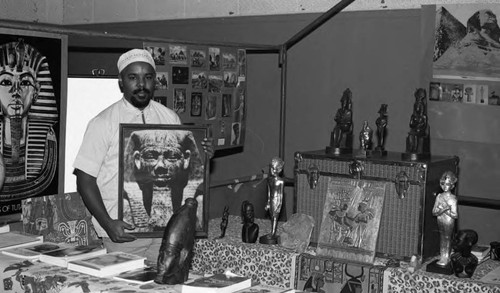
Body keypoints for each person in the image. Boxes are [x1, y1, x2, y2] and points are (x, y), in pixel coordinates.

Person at [73, 48, 213, 262]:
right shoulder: (103, 122)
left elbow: (186, 170)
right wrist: (108, 222)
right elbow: (85, 179)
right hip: (124, 233)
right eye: (133, 77)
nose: (141, 84)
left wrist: (204, 154)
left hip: (167, 231)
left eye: (147, 77)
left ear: (155, 81)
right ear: (121, 81)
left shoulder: (169, 118)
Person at [0, 39, 59, 200]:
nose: (16, 91)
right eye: (6, 82)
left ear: (36, 93)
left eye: (25, 82)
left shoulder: (49, 142)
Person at [432, 171, 458, 267]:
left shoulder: (453, 198)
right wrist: (443, 209)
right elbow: (434, 212)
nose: (444, 186)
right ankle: (443, 256)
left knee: (447, 238)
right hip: (440, 219)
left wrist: (444, 209)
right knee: (441, 237)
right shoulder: (439, 196)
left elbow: (455, 215)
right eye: (442, 183)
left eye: (447, 184)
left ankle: (446, 257)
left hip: (448, 221)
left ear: (452, 185)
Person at [260, 157, 284, 244]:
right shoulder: (269, 180)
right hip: (272, 200)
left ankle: (273, 232)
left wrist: (279, 205)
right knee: (271, 215)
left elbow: (281, 195)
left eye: (275, 169)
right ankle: (272, 231)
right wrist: (268, 202)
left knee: (275, 217)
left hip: (277, 201)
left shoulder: (280, 181)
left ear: (279, 170)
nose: (273, 170)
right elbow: (269, 193)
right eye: (272, 168)